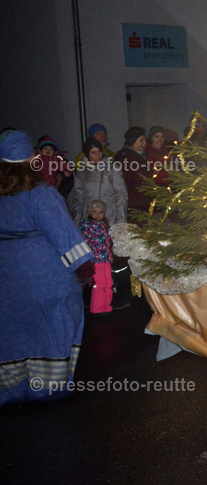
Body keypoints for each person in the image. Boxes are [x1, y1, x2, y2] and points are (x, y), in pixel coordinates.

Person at [0, 130, 95, 406]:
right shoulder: (41, 193)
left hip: (7, 278)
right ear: (28, 156)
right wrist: (84, 268)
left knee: (11, 328)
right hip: (44, 275)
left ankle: (11, 387)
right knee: (54, 322)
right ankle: (47, 386)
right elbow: (63, 233)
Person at [70, 137, 128, 225]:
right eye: (93, 152)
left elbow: (121, 195)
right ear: (87, 154)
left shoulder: (112, 168)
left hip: (110, 218)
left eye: (99, 152)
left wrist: (121, 220)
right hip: (89, 222)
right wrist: (77, 222)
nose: (97, 155)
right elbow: (78, 199)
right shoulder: (81, 172)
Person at [78, 199, 115, 315]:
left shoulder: (104, 225)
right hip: (96, 261)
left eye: (100, 212)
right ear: (90, 212)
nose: (98, 214)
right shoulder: (87, 226)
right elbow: (84, 242)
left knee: (108, 284)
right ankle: (98, 309)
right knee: (99, 285)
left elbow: (108, 243)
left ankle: (106, 307)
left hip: (106, 260)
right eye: (95, 212)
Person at [115, 126, 150, 221]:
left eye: (145, 140)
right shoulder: (126, 159)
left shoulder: (138, 157)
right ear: (132, 141)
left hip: (141, 204)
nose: (144, 143)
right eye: (141, 140)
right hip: (135, 206)